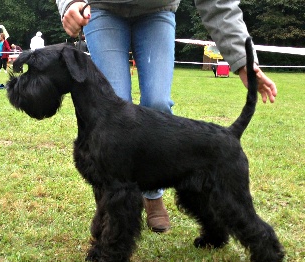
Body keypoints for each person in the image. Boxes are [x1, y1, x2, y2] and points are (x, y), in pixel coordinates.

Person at [57, 0, 278, 233]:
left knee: (157, 103)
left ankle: (152, 195)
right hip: (100, 9)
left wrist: (244, 61)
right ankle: (111, 212)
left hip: (157, 9)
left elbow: (218, 4)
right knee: (112, 115)